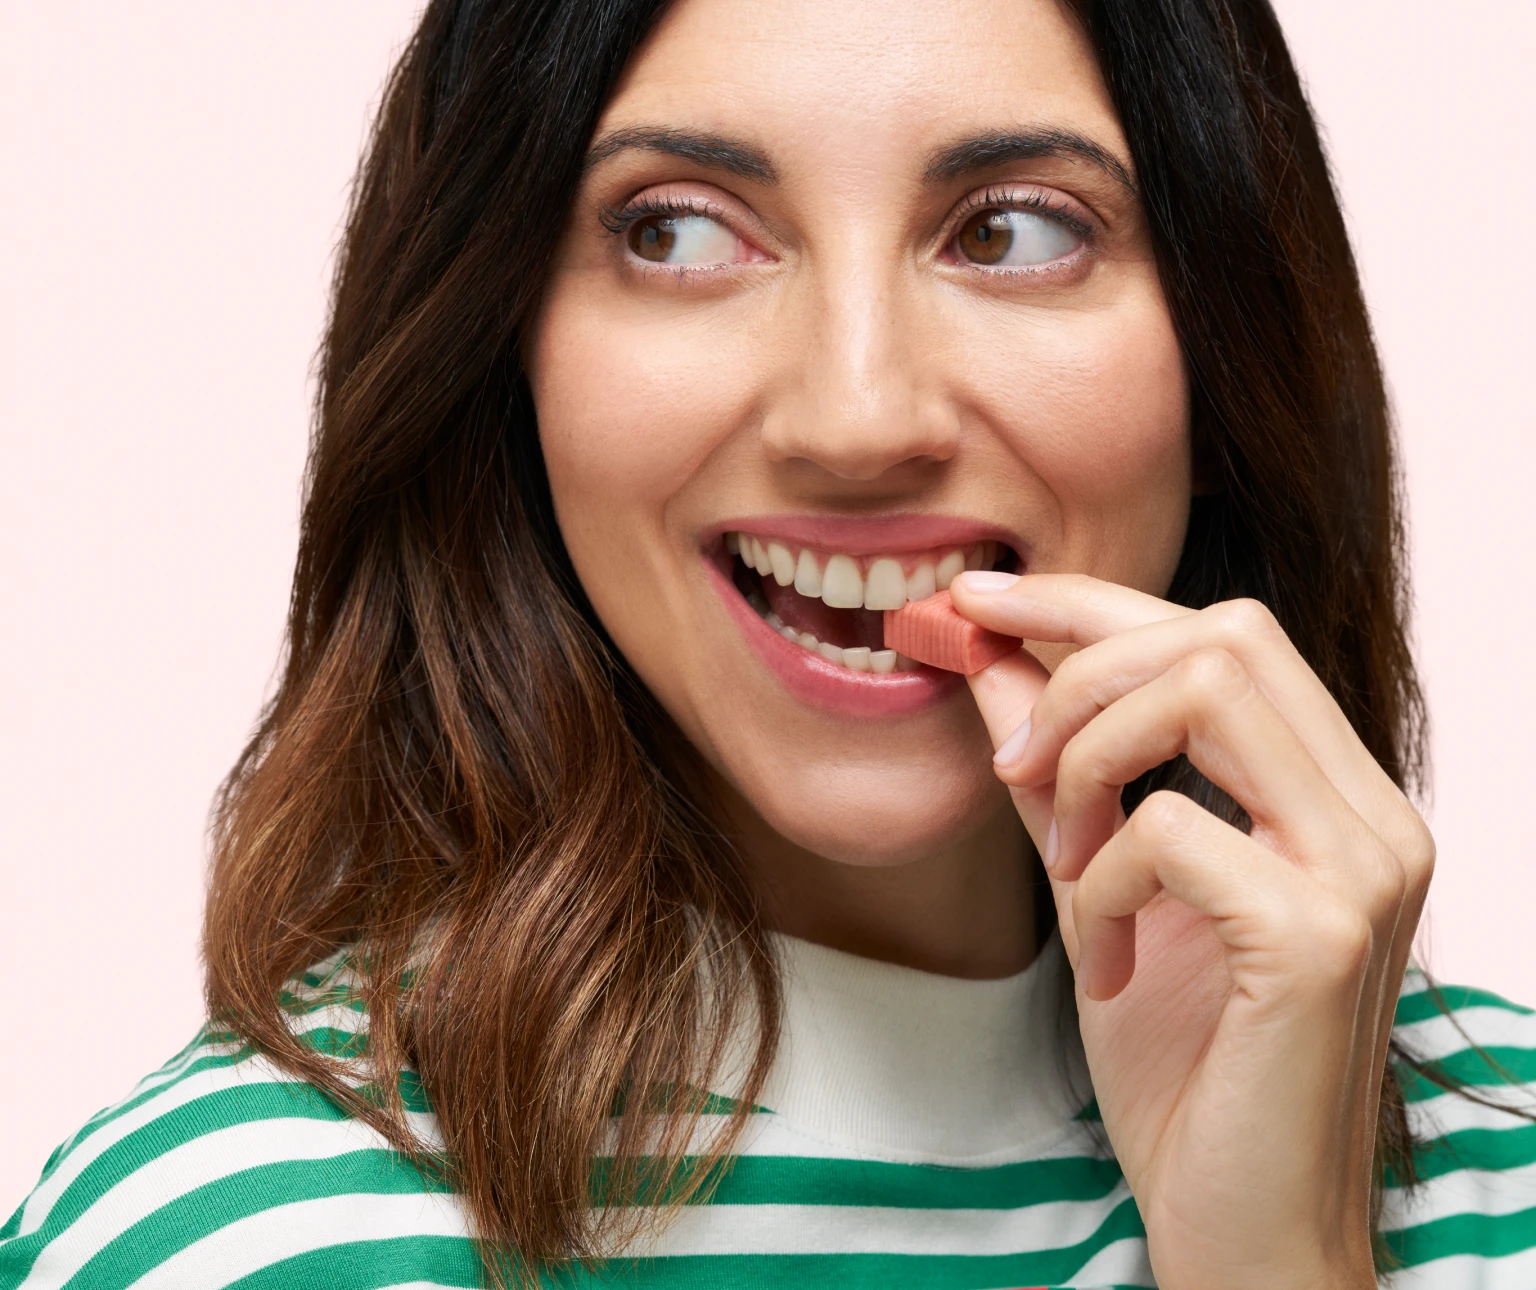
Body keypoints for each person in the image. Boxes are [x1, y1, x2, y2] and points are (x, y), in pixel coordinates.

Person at [5, 0, 1535, 1286]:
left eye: (1010, 231)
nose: (857, 418)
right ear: (506, 365)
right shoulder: (234, 1234)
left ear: (1223, 354)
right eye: (679, 231)